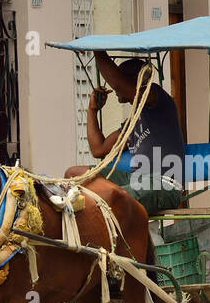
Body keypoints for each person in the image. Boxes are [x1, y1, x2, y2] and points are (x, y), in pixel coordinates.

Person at [65, 52, 187, 214]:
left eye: (123, 78)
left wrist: (97, 51)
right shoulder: (133, 122)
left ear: (137, 81)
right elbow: (99, 149)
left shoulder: (157, 98)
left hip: (163, 185)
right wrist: (92, 110)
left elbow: (117, 83)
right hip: (136, 180)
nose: (115, 88)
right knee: (74, 174)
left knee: (112, 198)